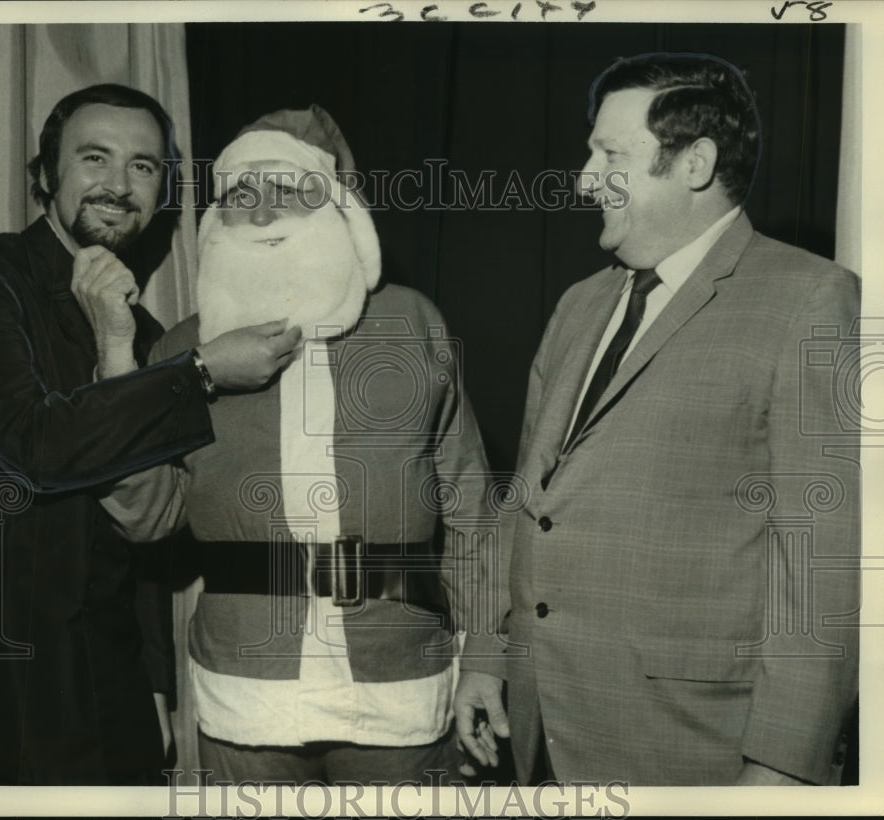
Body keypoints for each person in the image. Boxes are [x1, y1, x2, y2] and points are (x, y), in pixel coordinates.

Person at [454, 53, 860, 786]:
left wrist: (783, 766)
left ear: (696, 163)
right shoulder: (579, 304)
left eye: (611, 155)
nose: (583, 179)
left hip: (692, 750)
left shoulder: (810, 299)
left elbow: (821, 562)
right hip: (541, 729)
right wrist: (487, 657)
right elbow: (527, 502)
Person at [0, 84, 300, 785]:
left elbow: (148, 532)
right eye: (95, 158)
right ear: (46, 175)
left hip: (107, 703)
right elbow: (36, 448)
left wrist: (151, 681)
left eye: (144, 167)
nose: (119, 186)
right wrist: (203, 370)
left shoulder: (149, 336)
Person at [102, 106, 493, 785]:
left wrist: (485, 659)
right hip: (245, 694)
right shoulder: (181, 350)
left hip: (398, 684)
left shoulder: (411, 322)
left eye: (287, 190)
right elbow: (145, 515)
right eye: (242, 196)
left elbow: (472, 515)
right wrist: (117, 353)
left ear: (339, 206)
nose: (260, 213)